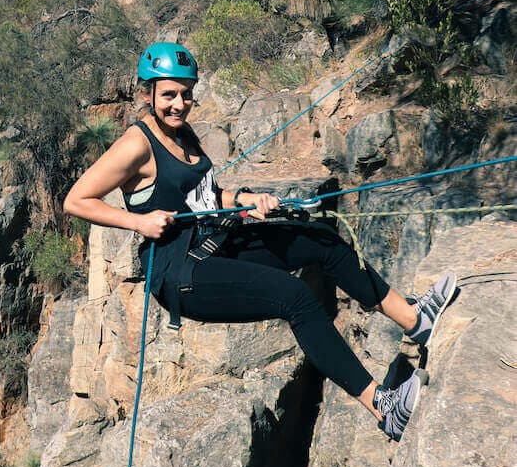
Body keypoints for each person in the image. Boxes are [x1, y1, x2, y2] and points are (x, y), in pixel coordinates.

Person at [63, 42, 457, 441]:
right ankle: (383, 408)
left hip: (214, 242)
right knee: (294, 295)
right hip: (182, 274)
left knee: (318, 238)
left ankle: (415, 320)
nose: (179, 104)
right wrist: (138, 222)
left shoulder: (183, 134)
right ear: (147, 93)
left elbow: (205, 197)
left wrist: (246, 200)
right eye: (168, 95)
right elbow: (76, 200)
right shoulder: (136, 144)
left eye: (186, 93)